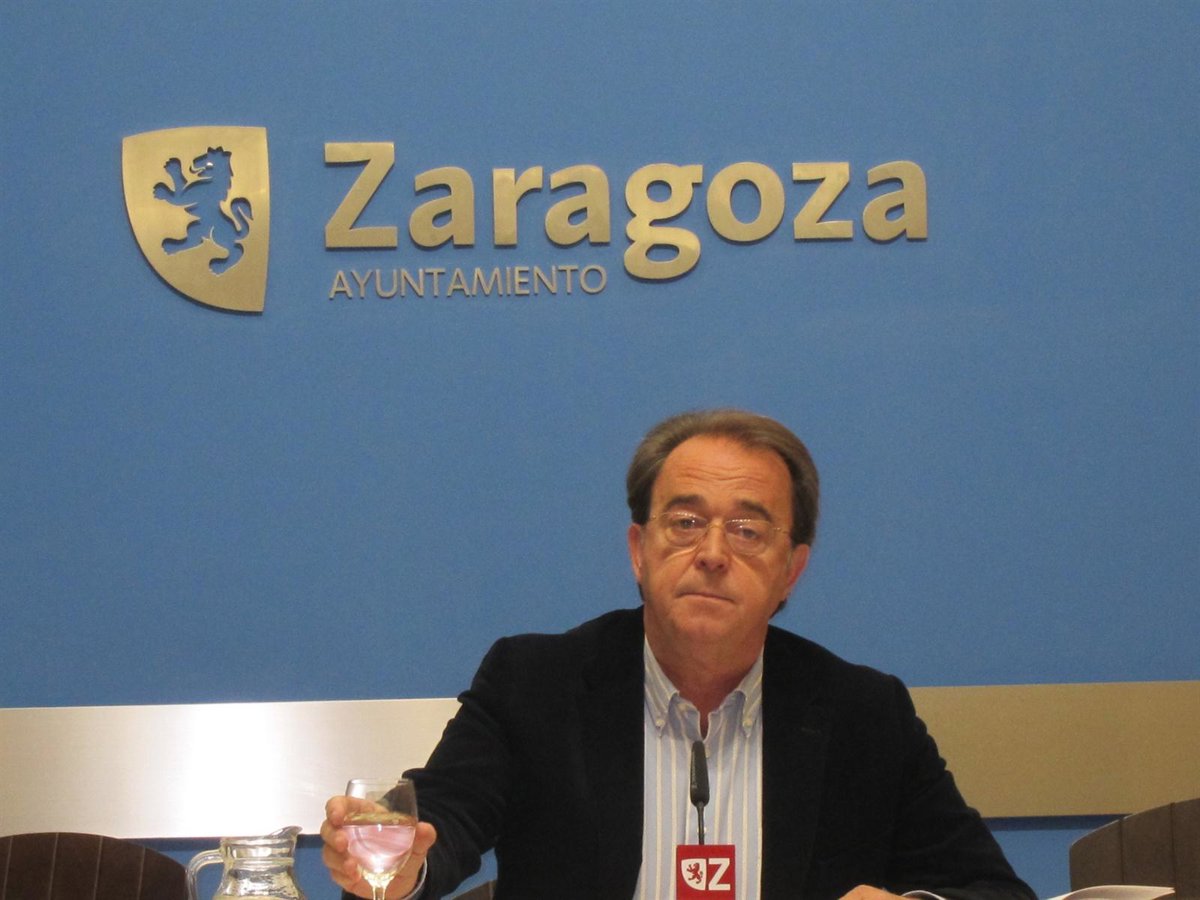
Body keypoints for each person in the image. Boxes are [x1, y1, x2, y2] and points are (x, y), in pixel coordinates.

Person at [322, 409, 1034, 900]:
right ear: (640, 550)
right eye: (686, 522)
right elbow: (443, 820)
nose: (713, 554)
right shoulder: (535, 683)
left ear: (792, 569)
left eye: (748, 531)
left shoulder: (863, 715)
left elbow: (993, 889)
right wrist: (400, 866)